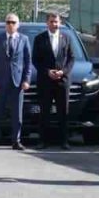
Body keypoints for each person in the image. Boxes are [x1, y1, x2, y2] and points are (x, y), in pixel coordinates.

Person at [0, 13, 32, 150]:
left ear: (18, 25)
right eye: (8, 22)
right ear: (5, 24)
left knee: (17, 115)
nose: (10, 25)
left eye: (13, 22)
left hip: (17, 82)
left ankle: (16, 141)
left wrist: (26, 79)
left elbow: (28, 62)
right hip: (0, 82)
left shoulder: (24, 39)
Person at [32, 11, 75, 149]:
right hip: (45, 81)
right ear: (47, 23)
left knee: (63, 111)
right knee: (44, 111)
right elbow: (35, 60)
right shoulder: (40, 38)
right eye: (51, 21)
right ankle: (42, 141)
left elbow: (71, 58)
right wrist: (47, 72)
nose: (54, 24)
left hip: (62, 81)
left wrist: (63, 72)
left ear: (60, 23)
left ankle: (64, 141)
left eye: (56, 22)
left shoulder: (67, 38)